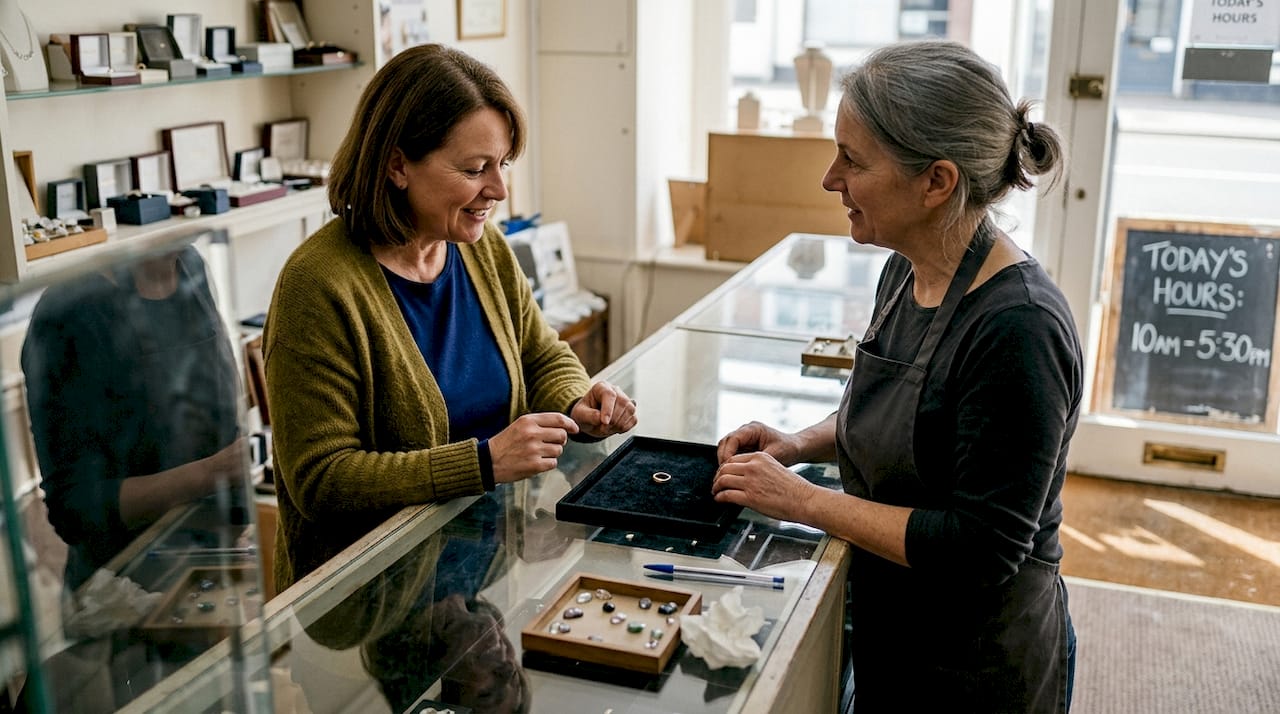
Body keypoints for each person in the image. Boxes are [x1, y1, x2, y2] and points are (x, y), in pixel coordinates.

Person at [712, 40, 1081, 713]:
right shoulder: (906, 268)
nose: (830, 178)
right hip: (895, 627)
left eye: (852, 160)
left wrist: (802, 500)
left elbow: (981, 549)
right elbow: (905, 420)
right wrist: (798, 444)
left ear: (936, 182)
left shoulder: (1018, 329)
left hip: (977, 666)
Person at [262, 43, 637, 593]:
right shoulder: (317, 286)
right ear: (396, 165)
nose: (499, 190)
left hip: (475, 570)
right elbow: (320, 478)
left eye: (503, 164)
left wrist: (575, 401)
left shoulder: (481, 249)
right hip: (362, 599)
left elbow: (540, 352)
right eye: (474, 169)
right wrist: (483, 463)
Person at [21, 244, 246, 591]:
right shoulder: (68, 312)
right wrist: (212, 473)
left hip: (211, 561)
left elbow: (221, 418)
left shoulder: (188, 264)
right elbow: (75, 508)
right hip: (125, 593)